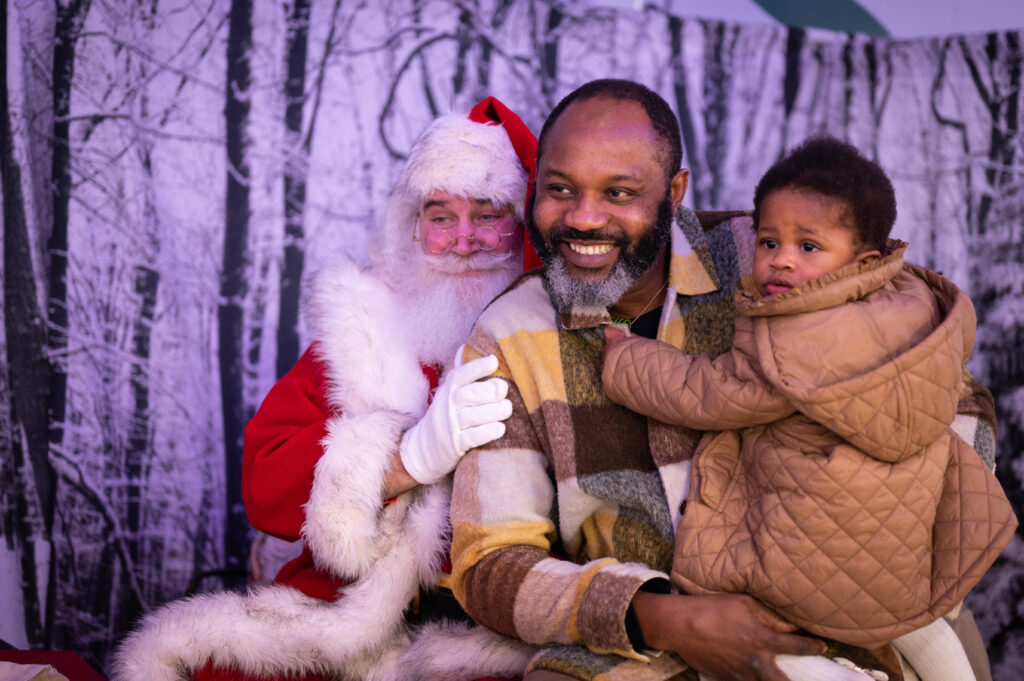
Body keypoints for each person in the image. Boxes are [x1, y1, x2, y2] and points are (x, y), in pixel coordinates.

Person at [448, 80, 1001, 681]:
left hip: (843, 621)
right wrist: (661, 618)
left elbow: (949, 384)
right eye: (560, 189)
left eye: (620, 192)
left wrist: (885, 510)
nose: (584, 217)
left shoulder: (773, 258)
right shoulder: (509, 333)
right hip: (637, 650)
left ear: (675, 191)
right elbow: (489, 563)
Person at [112, 98, 540, 681]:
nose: (463, 241)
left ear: (523, 224)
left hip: (485, 632)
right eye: (441, 217)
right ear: (412, 228)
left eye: (488, 214)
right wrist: (403, 459)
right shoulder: (363, 330)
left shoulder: (556, 340)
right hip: (343, 616)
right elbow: (265, 481)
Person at [601, 136, 1016, 678]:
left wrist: (626, 359)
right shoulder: (914, 304)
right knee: (921, 626)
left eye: (809, 248)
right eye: (768, 242)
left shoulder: (798, 337)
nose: (781, 263)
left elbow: (712, 392)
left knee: (781, 631)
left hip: (819, 549)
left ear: (862, 259)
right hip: (902, 547)